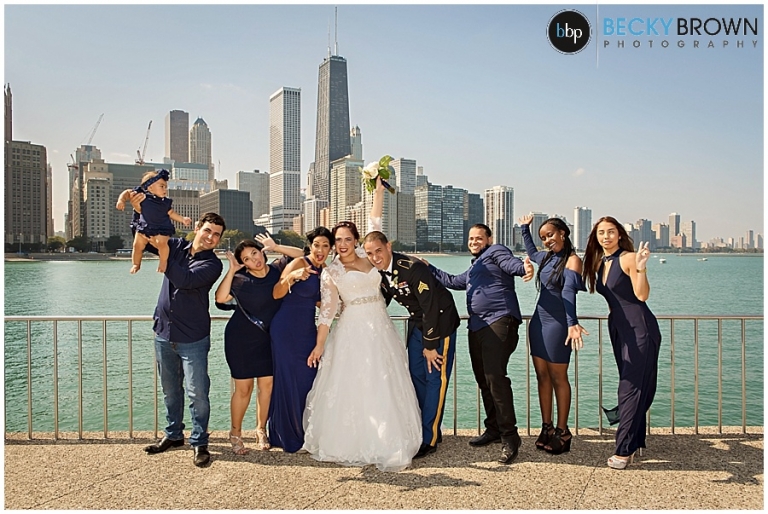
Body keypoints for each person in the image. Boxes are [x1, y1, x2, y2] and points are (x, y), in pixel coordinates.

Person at [302, 208, 422, 472]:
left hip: (381, 326)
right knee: (356, 382)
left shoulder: (369, 257)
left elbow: (376, 225)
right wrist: (319, 345)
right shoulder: (331, 272)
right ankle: (353, 441)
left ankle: (388, 439)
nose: (343, 244)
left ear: (356, 240)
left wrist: (377, 191)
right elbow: (327, 312)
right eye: (338, 240)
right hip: (352, 329)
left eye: (348, 239)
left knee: (385, 380)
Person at [362, 179, 461, 460]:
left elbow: (431, 306)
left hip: (439, 325)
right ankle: (418, 429)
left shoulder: (412, 267)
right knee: (416, 377)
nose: (375, 257)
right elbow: (384, 298)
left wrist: (430, 345)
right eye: (369, 254)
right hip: (418, 325)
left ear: (388, 246)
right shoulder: (380, 272)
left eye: (378, 251)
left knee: (435, 380)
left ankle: (430, 438)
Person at [427, 223, 533, 464]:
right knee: (483, 380)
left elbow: (511, 264)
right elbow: (453, 281)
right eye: (471, 238)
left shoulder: (496, 251)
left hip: (499, 321)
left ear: (489, 239)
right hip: (477, 326)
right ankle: (494, 428)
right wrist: (428, 267)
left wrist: (523, 268)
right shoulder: (476, 266)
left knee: (495, 378)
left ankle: (510, 437)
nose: (474, 242)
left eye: (478, 238)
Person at [138, 210, 225, 468]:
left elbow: (185, 280)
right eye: (207, 230)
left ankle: (199, 442)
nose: (210, 237)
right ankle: (174, 434)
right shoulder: (175, 246)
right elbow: (144, 238)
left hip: (193, 338)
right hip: (164, 333)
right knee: (170, 391)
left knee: (197, 393)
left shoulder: (213, 265)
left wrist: (164, 254)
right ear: (197, 228)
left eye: (216, 235)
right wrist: (143, 209)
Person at [582, 216, 661, 470]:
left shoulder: (628, 258)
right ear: (595, 237)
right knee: (634, 386)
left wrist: (641, 267)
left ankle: (624, 450)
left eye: (611, 232)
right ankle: (635, 441)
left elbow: (642, 295)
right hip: (619, 328)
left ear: (619, 234)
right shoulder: (599, 262)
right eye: (601, 233)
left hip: (640, 329)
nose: (606, 236)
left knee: (630, 388)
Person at [214, 235, 303, 455]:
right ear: (243, 264)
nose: (254, 260)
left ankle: (261, 429)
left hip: (268, 339)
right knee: (243, 389)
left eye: (254, 253)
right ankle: (235, 433)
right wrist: (232, 270)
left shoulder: (278, 270)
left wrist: (276, 246)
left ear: (261, 252)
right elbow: (220, 298)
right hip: (241, 340)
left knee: (267, 386)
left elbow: (302, 256)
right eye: (247, 259)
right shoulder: (240, 279)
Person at [519, 214, 588, 455]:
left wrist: (572, 323)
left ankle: (563, 431)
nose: (547, 240)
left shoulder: (573, 260)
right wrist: (524, 229)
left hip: (558, 325)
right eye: (543, 237)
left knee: (559, 377)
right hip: (538, 323)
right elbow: (531, 251)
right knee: (542, 376)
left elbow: (568, 292)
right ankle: (546, 426)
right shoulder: (546, 257)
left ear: (563, 233)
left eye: (550, 235)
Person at [267, 227, 332, 453]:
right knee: (287, 380)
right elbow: (276, 293)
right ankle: (286, 435)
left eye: (325, 246)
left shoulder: (325, 271)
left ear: (331, 249)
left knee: (308, 380)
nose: (320, 250)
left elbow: (320, 302)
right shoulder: (298, 263)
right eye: (317, 245)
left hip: (307, 331)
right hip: (285, 329)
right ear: (310, 246)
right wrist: (292, 278)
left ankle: (305, 432)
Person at [116, 169, 192, 274]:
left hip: (161, 228)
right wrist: (121, 200)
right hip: (143, 227)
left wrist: (182, 219)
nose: (165, 189)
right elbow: (126, 192)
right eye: (162, 186)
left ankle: (163, 262)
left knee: (162, 244)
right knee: (137, 246)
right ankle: (136, 264)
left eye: (166, 187)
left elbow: (171, 213)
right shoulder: (141, 195)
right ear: (150, 187)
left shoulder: (164, 202)